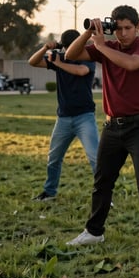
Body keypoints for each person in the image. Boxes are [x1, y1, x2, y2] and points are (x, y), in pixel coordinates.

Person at [63, 5, 139, 256]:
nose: (122, 33)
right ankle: (94, 232)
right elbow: (70, 55)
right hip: (112, 126)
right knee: (102, 182)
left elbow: (131, 65)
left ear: (137, 27)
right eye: (118, 29)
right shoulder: (107, 47)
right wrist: (89, 33)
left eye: (127, 28)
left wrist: (101, 46)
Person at [28, 30, 99, 201]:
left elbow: (81, 71)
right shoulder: (60, 57)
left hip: (85, 117)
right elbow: (32, 62)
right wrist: (45, 47)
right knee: (54, 159)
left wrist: (58, 63)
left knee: (95, 159)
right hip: (63, 118)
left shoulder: (87, 57)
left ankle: (103, 195)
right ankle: (49, 191)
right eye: (67, 47)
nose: (69, 51)